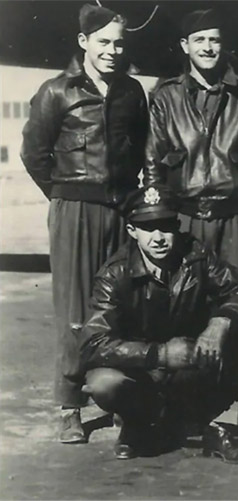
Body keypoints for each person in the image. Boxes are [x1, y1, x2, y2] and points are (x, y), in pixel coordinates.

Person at [20, 3, 148, 444]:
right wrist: (64, 197)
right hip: (75, 210)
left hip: (122, 210)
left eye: (118, 43)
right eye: (104, 42)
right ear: (84, 43)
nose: (112, 51)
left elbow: (141, 151)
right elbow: (34, 154)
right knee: (74, 309)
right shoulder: (57, 91)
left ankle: (120, 400)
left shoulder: (132, 91)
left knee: (121, 303)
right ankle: (70, 406)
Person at [78, 185, 238, 463]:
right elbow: (93, 344)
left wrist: (220, 322)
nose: (158, 238)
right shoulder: (114, 274)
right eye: (147, 228)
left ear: (177, 227)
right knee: (104, 382)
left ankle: (220, 427)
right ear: (131, 232)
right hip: (141, 371)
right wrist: (160, 354)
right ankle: (135, 424)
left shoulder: (196, 255)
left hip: (192, 365)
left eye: (165, 227)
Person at [144, 8, 238, 277]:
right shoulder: (166, 97)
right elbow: (153, 164)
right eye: (199, 40)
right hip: (184, 219)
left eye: (214, 40)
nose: (207, 48)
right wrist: (158, 218)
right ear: (185, 46)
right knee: (185, 298)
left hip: (234, 219)